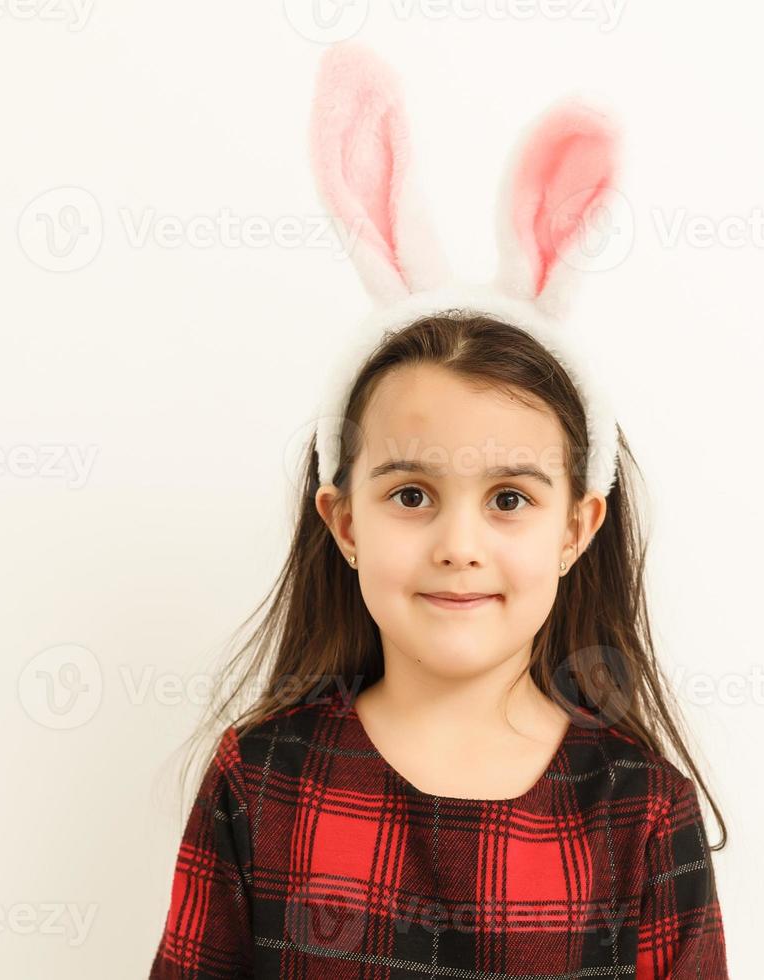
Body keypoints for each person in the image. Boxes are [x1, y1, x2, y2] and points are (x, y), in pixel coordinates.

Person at [147, 41, 729, 979]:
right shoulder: (260, 782)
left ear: (576, 529)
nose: (460, 546)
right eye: (412, 495)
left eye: (509, 499)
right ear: (344, 522)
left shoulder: (639, 808)